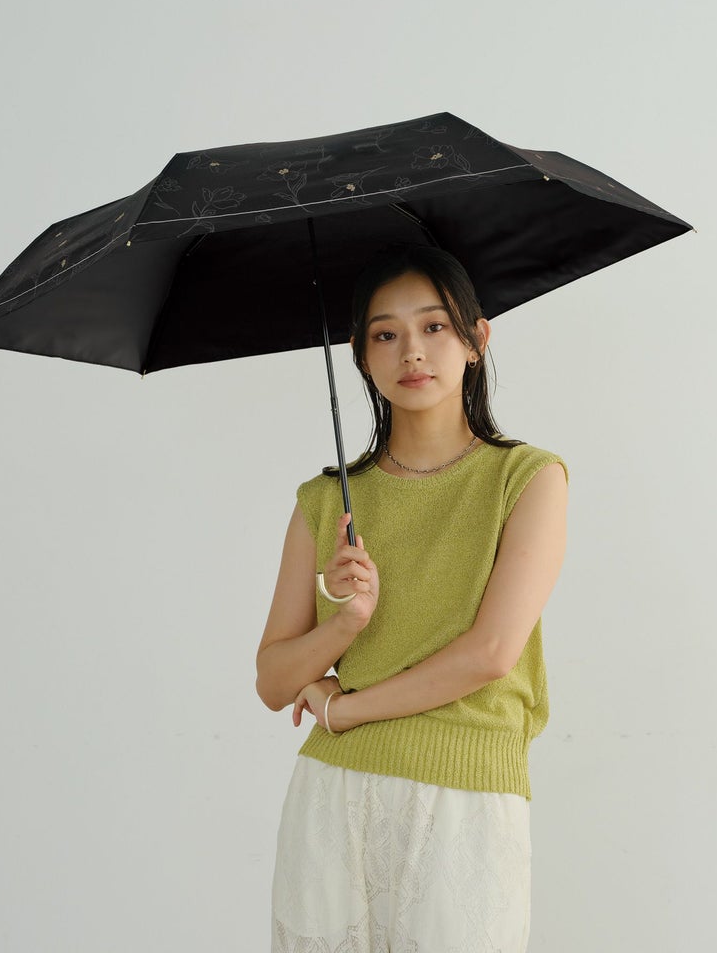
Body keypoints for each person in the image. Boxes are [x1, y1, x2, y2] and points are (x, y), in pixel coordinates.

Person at [256, 243, 568, 953]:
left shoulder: (528, 478)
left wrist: (344, 708)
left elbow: (491, 654)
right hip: (333, 794)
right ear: (361, 356)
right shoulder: (325, 500)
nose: (412, 352)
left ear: (476, 338)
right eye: (385, 334)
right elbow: (273, 681)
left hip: (467, 797)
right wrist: (346, 624)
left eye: (434, 326)